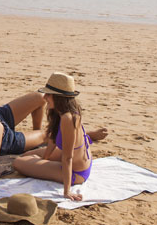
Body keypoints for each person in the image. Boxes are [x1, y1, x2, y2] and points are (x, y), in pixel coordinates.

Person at [13, 72, 104, 201]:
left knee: (18, 163)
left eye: (48, 94)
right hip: (81, 161)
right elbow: (53, 139)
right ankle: (42, 162)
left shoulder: (68, 118)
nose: (44, 97)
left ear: (58, 97)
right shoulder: (65, 111)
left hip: (76, 173)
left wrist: (67, 191)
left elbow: (68, 158)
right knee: (26, 156)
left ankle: (56, 174)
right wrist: (44, 159)